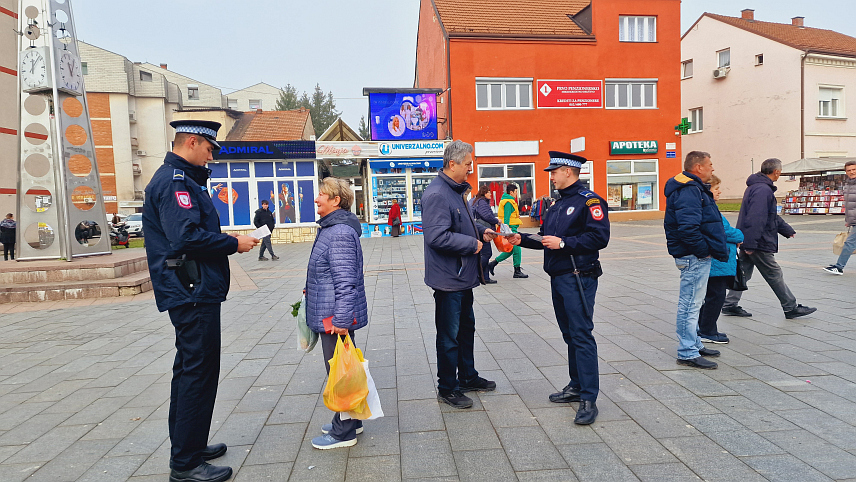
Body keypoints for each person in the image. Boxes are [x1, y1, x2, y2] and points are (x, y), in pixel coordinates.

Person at [143, 120, 259, 482]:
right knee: (198, 371)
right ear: (191, 142)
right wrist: (231, 243)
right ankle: (186, 463)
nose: (211, 158)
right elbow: (186, 238)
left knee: (190, 370)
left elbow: (189, 233)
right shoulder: (175, 182)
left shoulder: (182, 180)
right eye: (210, 149)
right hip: (191, 289)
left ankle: (189, 444)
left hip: (190, 287)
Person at [509, 151, 609, 424]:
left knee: (581, 334)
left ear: (568, 171)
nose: (551, 175)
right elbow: (546, 239)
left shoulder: (589, 202)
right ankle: (576, 385)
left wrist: (565, 244)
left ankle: (589, 397)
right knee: (569, 334)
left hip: (579, 276)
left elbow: (600, 237)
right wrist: (521, 239)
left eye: (554, 171)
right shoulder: (557, 204)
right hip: (559, 276)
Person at [423, 140, 498, 409]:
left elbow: (462, 223)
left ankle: (467, 376)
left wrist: (480, 232)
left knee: (466, 330)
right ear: (452, 164)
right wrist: (472, 244)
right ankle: (448, 387)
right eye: (467, 163)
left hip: (462, 277)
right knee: (449, 336)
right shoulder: (437, 194)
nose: (470, 168)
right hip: (448, 280)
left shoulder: (456, 191)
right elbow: (437, 236)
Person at [306, 177, 369, 450]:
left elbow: (346, 281)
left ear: (336, 201)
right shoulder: (331, 228)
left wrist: (342, 321)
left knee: (339, 373)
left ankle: (344, 432)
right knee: (343, 369)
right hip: (331, 312)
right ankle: (352, 419)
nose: (316, 198)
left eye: (322, 194)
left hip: (334, 317)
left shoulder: (339, 232)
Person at [721, 158, 817, 319]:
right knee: (774, 273)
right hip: (758, 241)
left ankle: (730, 304)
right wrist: (751, 244)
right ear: (777, 172)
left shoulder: (757, 187)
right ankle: (790, 307)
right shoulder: (763, 190)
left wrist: (786, 229)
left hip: (750, 239)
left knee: (743, 272)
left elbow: (769, 215)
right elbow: (756, 218)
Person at [664, 151, 728, 370]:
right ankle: (687, 351)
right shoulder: (689, 190)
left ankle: (694, 344)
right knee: (690, 305)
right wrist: (703, 251)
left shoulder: (693, 188)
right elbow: (688, 228)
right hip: (693, 256)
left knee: (694, 303)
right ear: (698, 167)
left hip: (694, 255)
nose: (713, 168)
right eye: (710, 164)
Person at [697, 175, 743, 344]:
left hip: (718, 261)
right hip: (718, 262)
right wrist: (740, 235)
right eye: (716, 188)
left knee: (711, 296)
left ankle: (706, 328)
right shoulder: (708, 208)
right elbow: (724, 231)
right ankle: (707, 331)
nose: (720, 191)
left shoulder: (708, 206)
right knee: (715, 297)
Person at [488, 184, 528, 279]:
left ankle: (493, 264)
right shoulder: (509, 202)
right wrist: (507, 230)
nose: (516, 193)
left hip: (512, 226)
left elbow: (509, 215)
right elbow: (506, 217)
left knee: (510, 250)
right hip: (511, 228)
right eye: (515, 191)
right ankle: (517, 271)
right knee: (517, 248)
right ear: (511, 192)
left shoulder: (508, 201)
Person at [823, 160, 856, 275]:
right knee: (850, 243)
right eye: (849, 170)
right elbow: (849, 205)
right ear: (846, 172)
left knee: (850, 243)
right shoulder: (848, 184)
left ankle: (839, 267)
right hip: (854, 220)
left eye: (854, 169)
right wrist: (848, 220)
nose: (852, 172)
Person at [472, 185, 500, 284]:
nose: (490, 194)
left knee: (485, 253)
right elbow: (486, 215)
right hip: (483, 230)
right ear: (484, 193)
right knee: (487, 253)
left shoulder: (478, 201)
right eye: (489, 192)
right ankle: (476, 272)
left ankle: (485, 277)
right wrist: (496, 220)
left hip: (481, 229)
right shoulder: (482, 202)